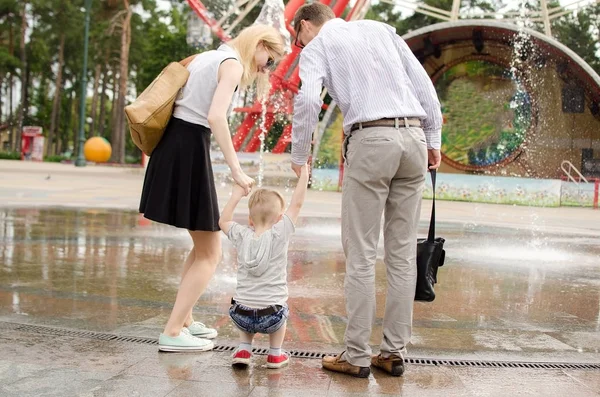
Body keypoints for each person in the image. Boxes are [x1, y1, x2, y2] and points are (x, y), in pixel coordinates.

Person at [290, 3, 443, 377]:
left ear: (305, 25)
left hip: (371, 140)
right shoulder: (381, 30)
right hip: (412, 139)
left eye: (297, 40)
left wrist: (300, 155)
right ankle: (393, 353)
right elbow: (423, 83)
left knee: (360, 252)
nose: (298, 47)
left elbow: (309, 99)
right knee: (403, 253)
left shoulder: (316, 47)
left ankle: (356, 355)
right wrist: (433, 137)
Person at [139, 25, 286, 352]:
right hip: (189, 147)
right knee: (210, 251)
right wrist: (236, 170)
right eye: (269, 58)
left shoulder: (208, 57)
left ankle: (186, 321)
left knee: (200, 245)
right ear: (259, 44)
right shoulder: (232, 64)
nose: (268, 67)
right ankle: (173, 332)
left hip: (176, 145)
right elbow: (216, 117)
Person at [218, 165, 309, 369]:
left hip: (241, 316)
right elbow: (297, 204)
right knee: (281, 304)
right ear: (279, 219)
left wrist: (236, 194)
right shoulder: (280, 233)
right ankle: (275, 354)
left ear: (250, 219)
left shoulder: (242, 235)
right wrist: (304, 174)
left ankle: (244, 348)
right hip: (272, 317)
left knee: (245, 300)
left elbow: (223, 221)